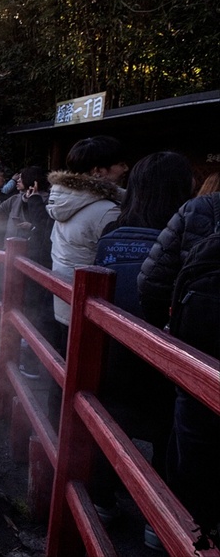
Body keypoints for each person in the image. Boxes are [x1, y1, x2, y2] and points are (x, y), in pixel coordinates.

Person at [90, 152, 195, 538]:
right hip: (167, 361)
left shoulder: (112, 234)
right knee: (172, 433)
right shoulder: (188, 240)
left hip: (111, 353)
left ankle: (99, 502)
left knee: (106, 421)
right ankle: (162, 523)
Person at [138, 191, 220, 548]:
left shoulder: (202, 207)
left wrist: (172, 335)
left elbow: (152, 281)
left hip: (202, 349)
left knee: (193, 442)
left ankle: (176, 531)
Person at [45, 136, 127, 425]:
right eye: (119, 166)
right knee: (86, 384)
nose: (124, 170)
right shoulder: (107, 210)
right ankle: (72, 445)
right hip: (89, 309)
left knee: (63, 373)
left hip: (63, 301)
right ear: (99, 172)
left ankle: (53, 433)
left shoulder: (63, 199)